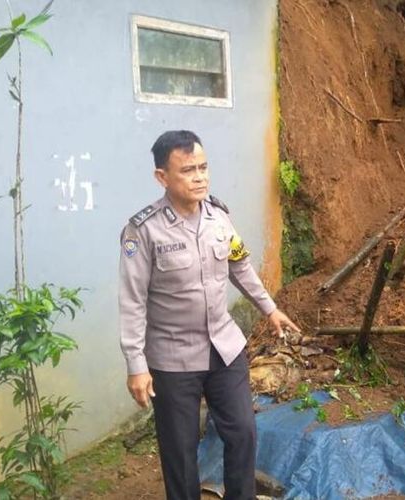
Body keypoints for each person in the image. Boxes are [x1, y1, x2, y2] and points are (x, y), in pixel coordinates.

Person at [118, 130, 299, 500]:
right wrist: (136, 364)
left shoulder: (219, 218)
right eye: (187, 170)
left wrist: (270, 309)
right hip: (172, 358)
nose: (199, 177)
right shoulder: (144, 231)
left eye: (203, 167)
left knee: (242, 432)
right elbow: (132, 301)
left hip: (225, 348)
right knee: (180, 452)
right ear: (162, 177)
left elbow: (240, 267)